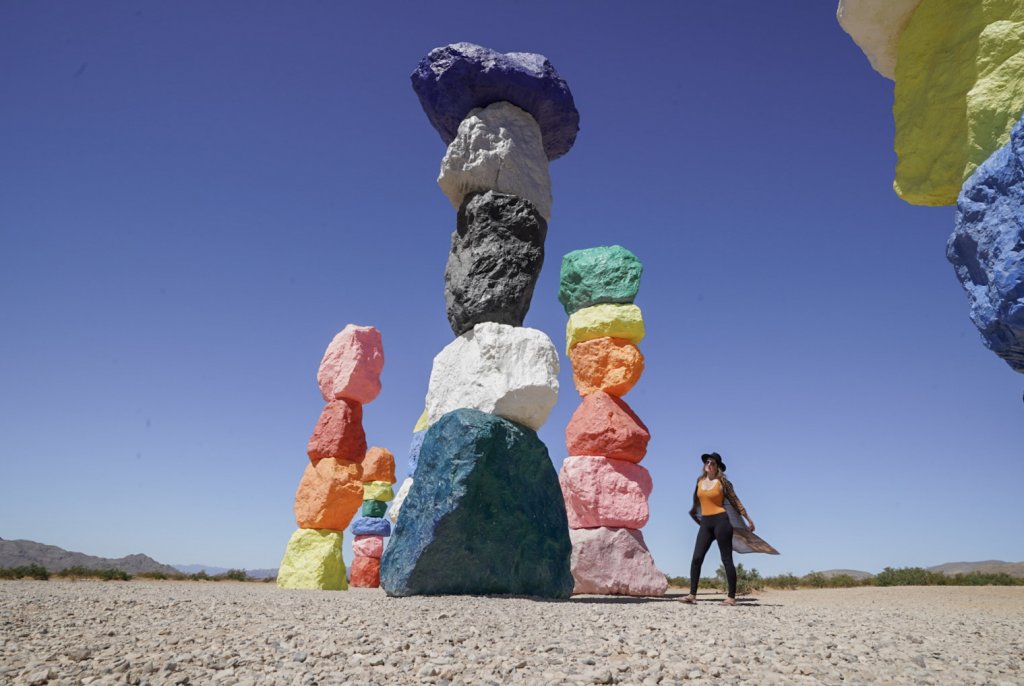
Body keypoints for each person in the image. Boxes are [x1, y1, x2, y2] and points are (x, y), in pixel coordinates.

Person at [681, 452, 755, 606]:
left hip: (721, 522)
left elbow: (735, 501)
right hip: (706, 524)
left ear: (717, 467)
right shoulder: (699, 481)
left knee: (726, 559)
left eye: (713, 463)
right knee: (696, 558)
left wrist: (748, 518)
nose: (709, 464)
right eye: (707, 462)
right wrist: (694, 513)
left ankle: (731, 597)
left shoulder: (723, 482)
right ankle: (692, 595)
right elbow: (696, 502)